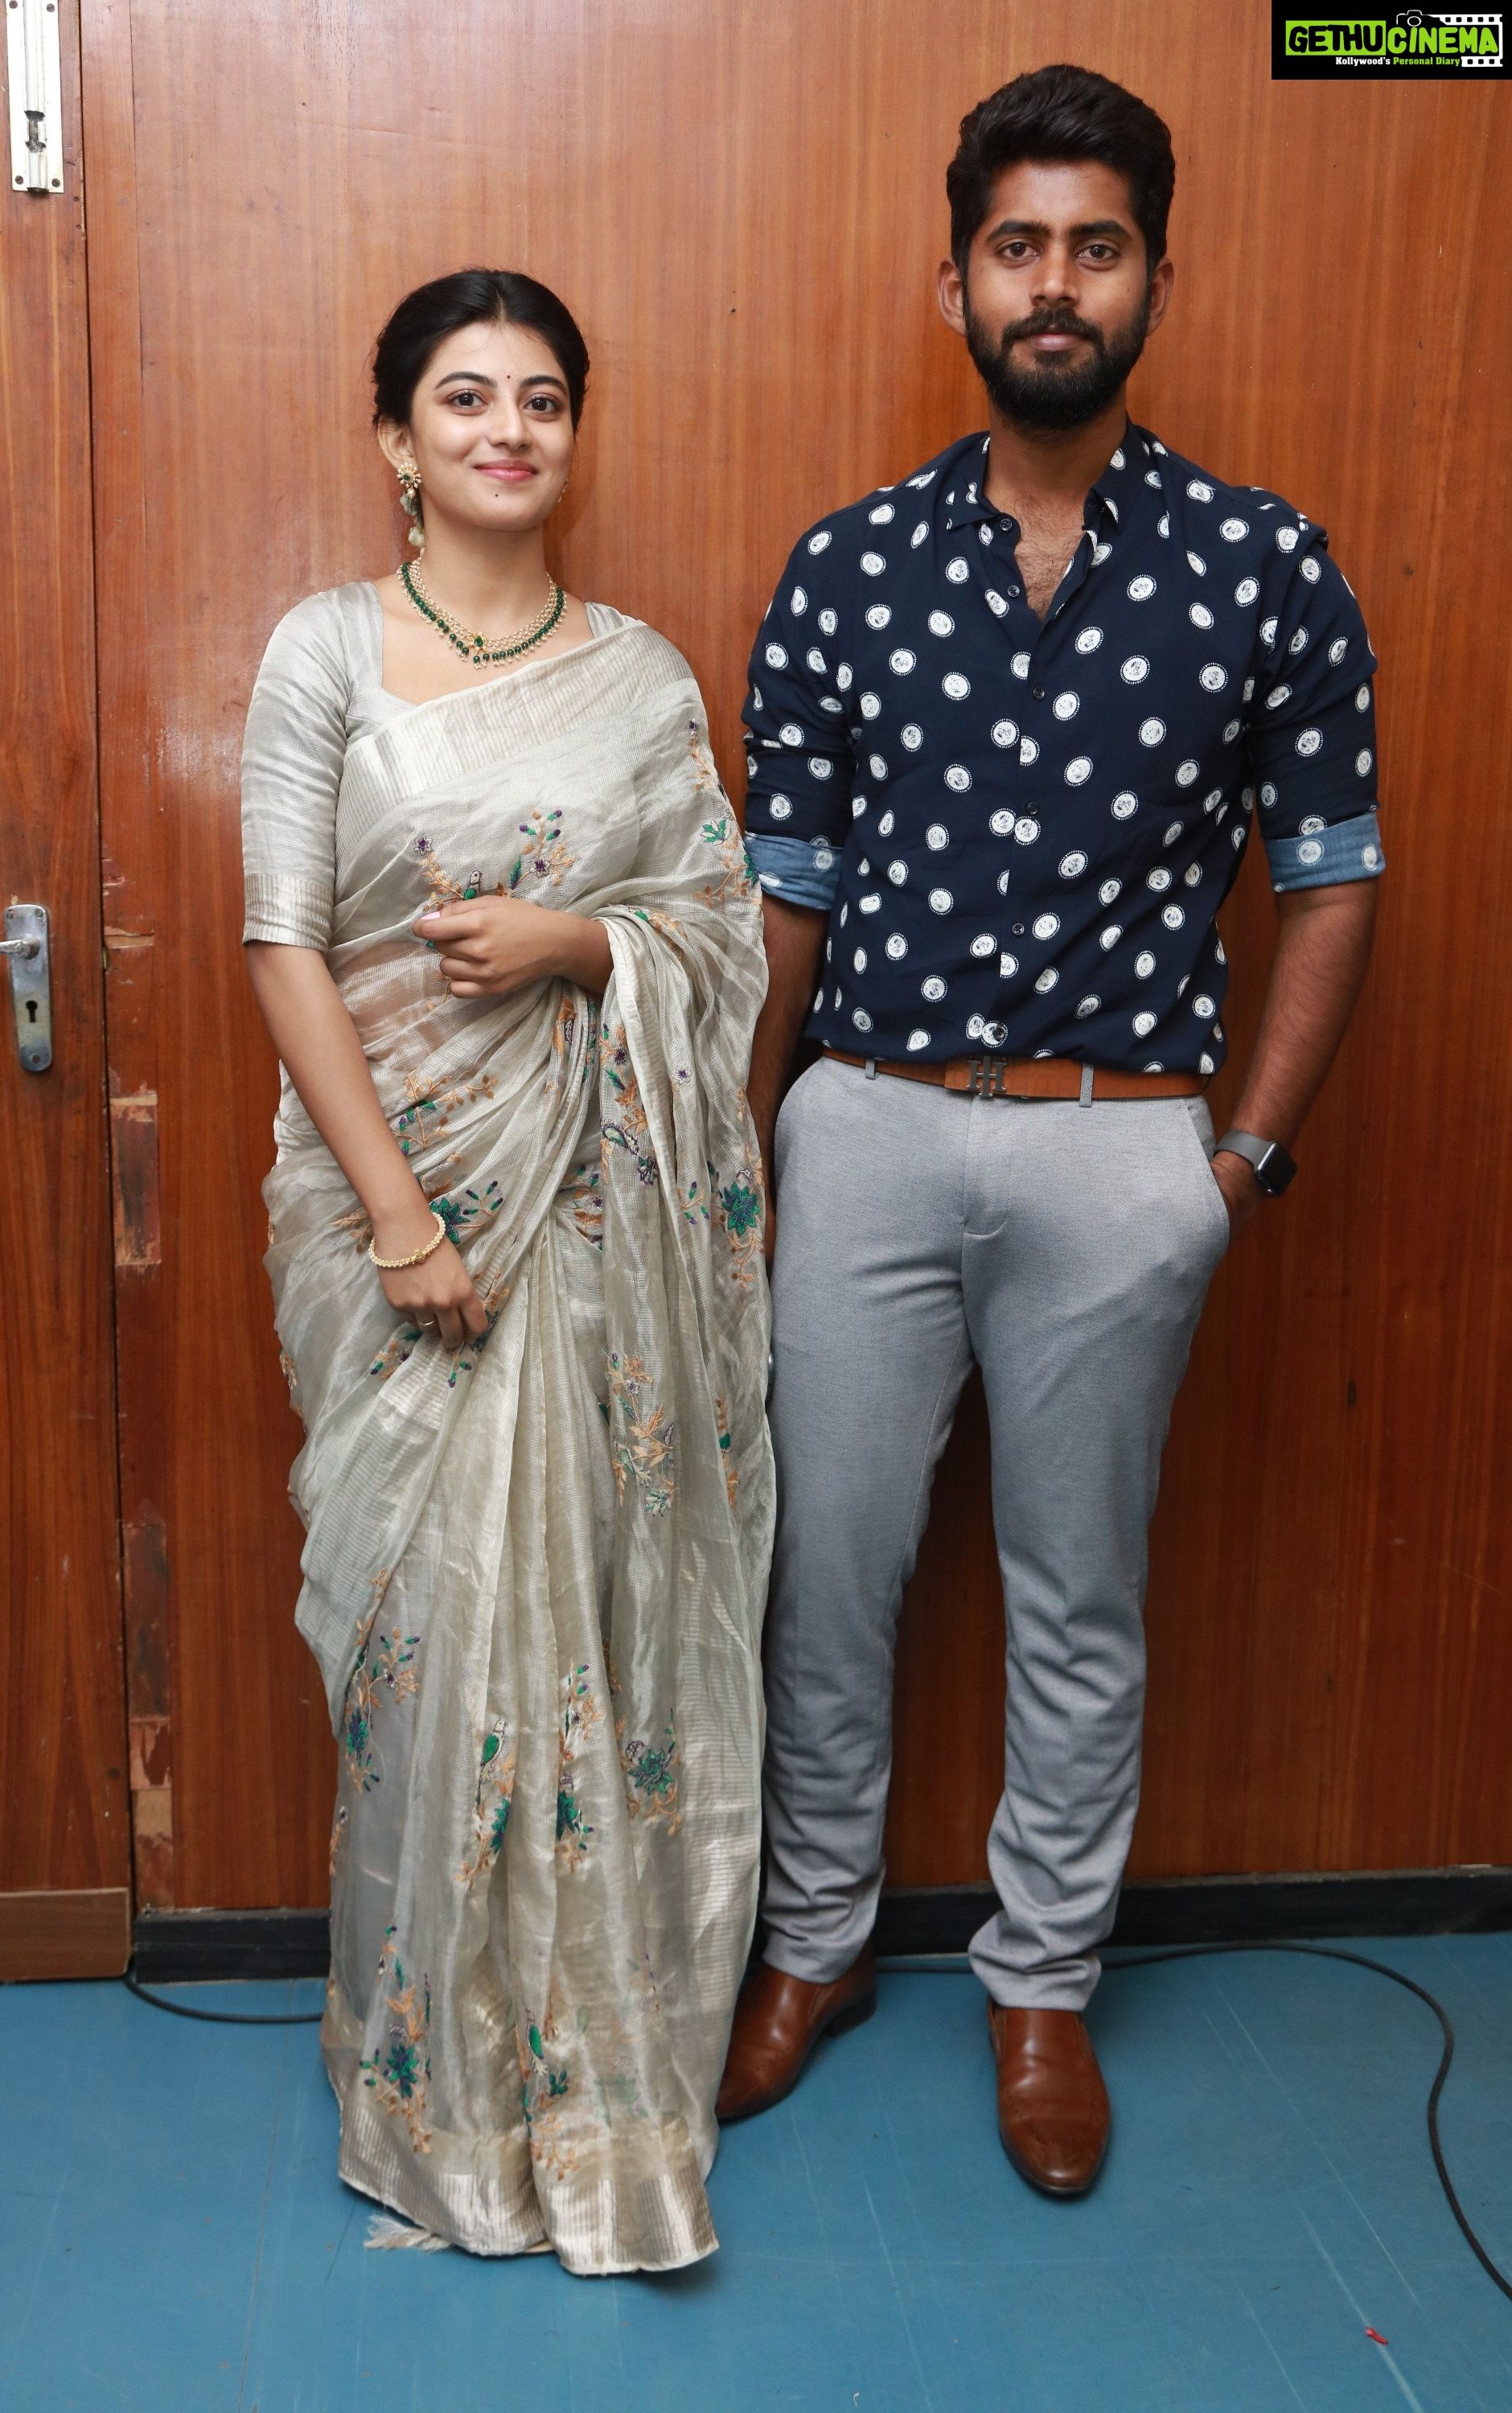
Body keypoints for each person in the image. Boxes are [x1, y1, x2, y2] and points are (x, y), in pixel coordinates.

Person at [717, 66, 1383, 2197]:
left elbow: (1336, 874)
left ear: (1153, 278)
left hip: (1126, 1151)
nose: (1056, 284)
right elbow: (785, 898)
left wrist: (1241, 1163)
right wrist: (752, 1162)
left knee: (1077, 1591)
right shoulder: (845, 570)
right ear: (959, 278)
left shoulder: (1266, 567)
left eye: (1097, 245)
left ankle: (1042, 1987)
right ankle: (809, 1948)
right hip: (872, 1135)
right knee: (827, 1574)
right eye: (1020, 245)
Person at [240, 269, 773, 2274]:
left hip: (588, 1225)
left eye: (544, 398)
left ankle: (589, 2079)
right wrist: (396, 1214)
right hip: (396, 1203)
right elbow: (282, 946)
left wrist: (585, 949)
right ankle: (434, 2087)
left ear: (574, 432)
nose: (507, 429)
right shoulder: (321, 656)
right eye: (463, 398)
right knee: (431, 1648)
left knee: (579, 1643)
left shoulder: (639, 674)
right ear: (395, 439)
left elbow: (709, 927)